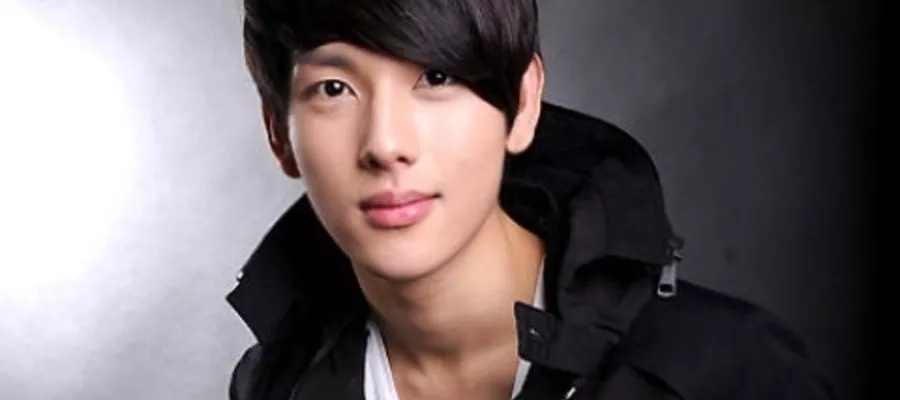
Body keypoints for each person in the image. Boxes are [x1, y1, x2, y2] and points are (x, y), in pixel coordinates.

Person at [226, 0, 836, 399]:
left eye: (436, 77)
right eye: (334, 88)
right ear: (279, 133)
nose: (386, 144)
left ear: (522, 103)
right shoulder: (275, 384)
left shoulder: (723, 371)